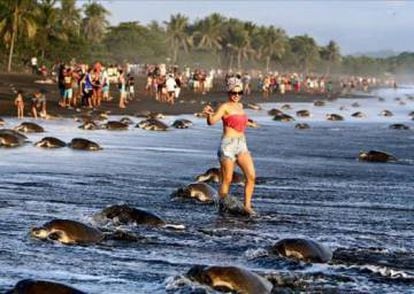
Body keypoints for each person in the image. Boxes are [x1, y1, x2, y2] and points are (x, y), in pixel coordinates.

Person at [202, 79, 256, 216]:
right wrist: (208, 115)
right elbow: (212, 122)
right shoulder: (224, 107)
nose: (236, 95)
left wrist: (249, 124)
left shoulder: (241, 106)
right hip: (228, 145)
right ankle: (222, 207)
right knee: (227, 179)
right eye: (234, 92)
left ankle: (247, 207)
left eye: (239, 92)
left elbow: (239, 122)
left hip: (242, 144)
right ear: (229, 92)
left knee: (251, 176)